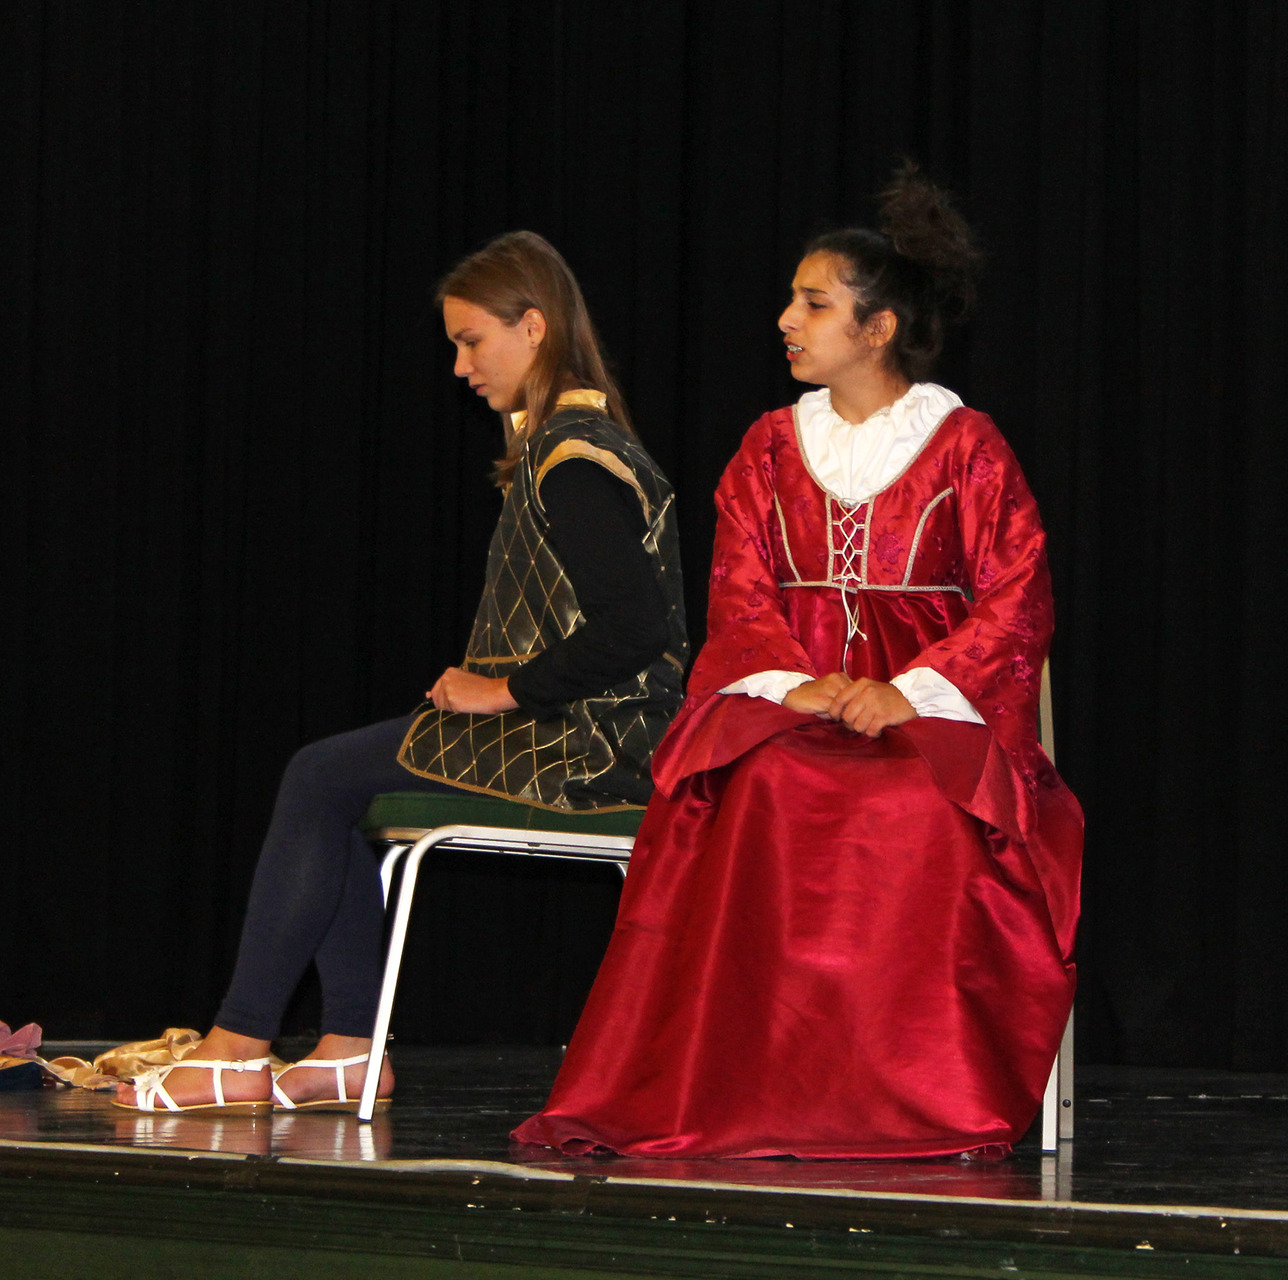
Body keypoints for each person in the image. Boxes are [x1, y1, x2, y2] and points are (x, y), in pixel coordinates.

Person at [514, 166, 1083, 1159]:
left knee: (916, 806)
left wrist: (907, 693)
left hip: (933, 702)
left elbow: (1015, 597)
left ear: (877, 328)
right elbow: (738, 590)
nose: (785, 319)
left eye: (813, 302)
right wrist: (795, 685)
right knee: (759, 789)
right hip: (791, 692)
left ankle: (905, 1091)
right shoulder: (769, 447)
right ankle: (755, 1083)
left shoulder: (966, 447)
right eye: (791, 299)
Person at [115, 230, 688, 1115]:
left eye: (472, 341)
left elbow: (636, 626)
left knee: (318, 777)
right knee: (335, 787)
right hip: (570, 729)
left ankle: (239, 1044)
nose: (461, 366)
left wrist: (502, 690)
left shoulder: (574, 457)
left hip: (589, 746)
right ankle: (349, 1049)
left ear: (533, 327)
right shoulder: (563, 444)